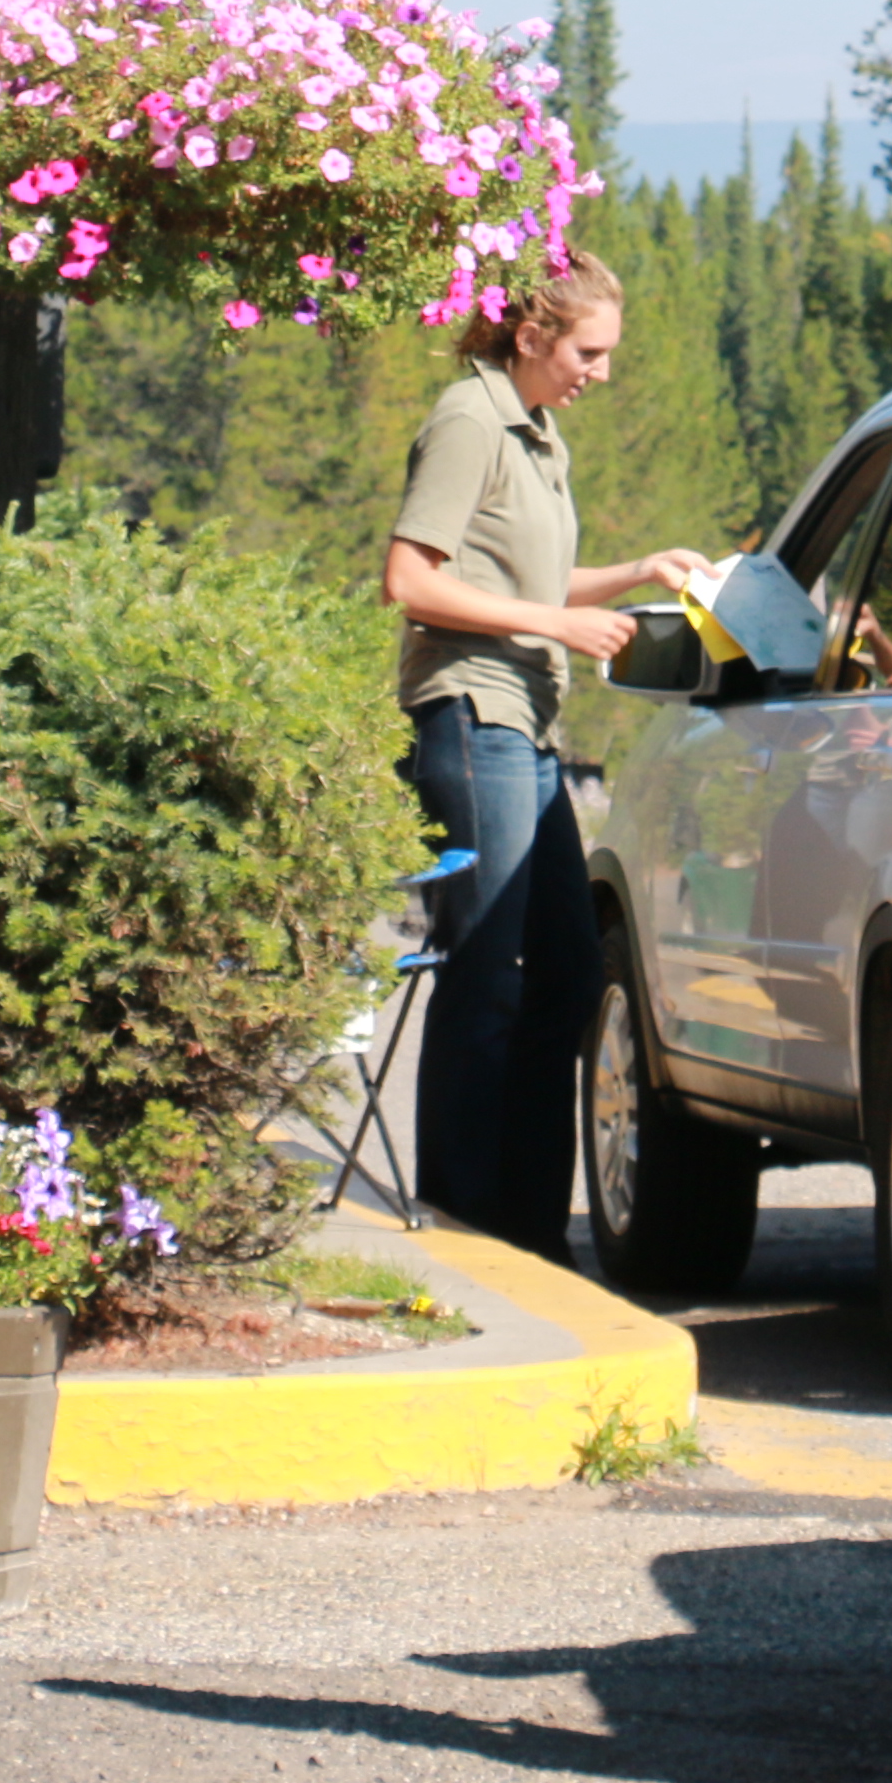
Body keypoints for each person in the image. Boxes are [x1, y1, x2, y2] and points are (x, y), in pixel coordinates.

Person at [383, 253, 709, 1257]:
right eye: (588, 350)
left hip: (526, 727)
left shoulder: (538, 433)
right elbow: (410, 580)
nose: (600, 370)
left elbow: (536, 576)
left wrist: (637, 575)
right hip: (471, 715)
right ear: (530, 336)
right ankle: (463, 1218)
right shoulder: (471, 419)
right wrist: (552, 627)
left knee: (565, 970)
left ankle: (527, 1222)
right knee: (487, 973)